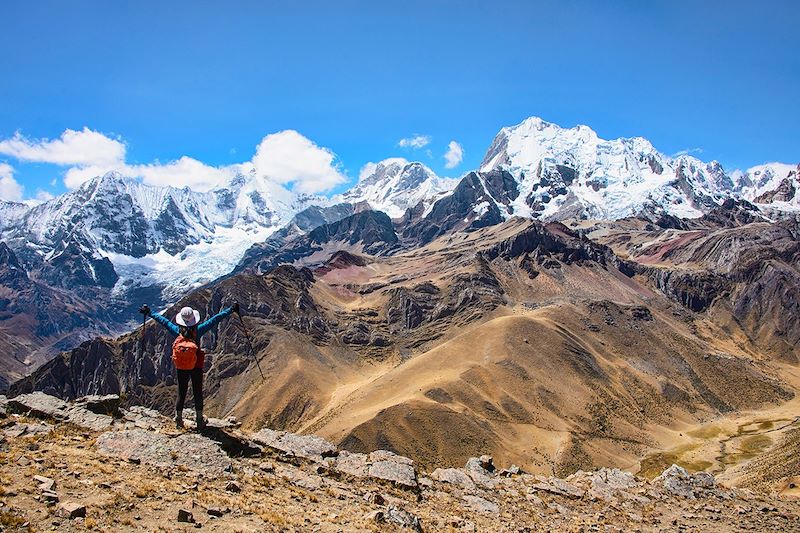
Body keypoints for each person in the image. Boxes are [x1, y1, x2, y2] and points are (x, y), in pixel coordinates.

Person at [138, 302, 239, 429]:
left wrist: (150, 312)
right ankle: (199, 419)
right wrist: (230, 310)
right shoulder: (199, 330)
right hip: (196, 364)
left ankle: (178, 419)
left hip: (181, 366)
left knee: (182, 391)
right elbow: (215, 319)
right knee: (197, 392)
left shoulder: (177, 331)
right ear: (194, 321)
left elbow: (163, 321)